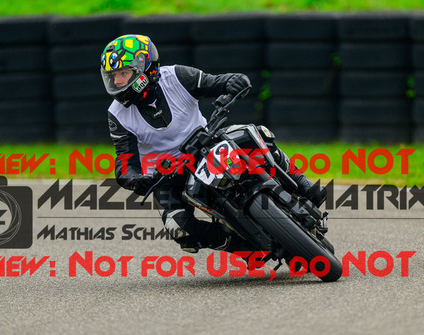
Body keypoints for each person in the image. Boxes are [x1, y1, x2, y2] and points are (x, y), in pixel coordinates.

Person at [101, 34, 326, 253]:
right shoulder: (117, 115)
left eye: (124, 73)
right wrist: (135, 179)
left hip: (205, 144)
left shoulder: (177, 76)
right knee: (178, 227)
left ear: (146, 69)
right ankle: (241, 246)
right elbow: (125, 161)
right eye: (113, 76)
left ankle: (301, 182)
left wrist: (234, 82)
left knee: (252, 134)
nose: (117, 81)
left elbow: (216, 82)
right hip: (166, 175)